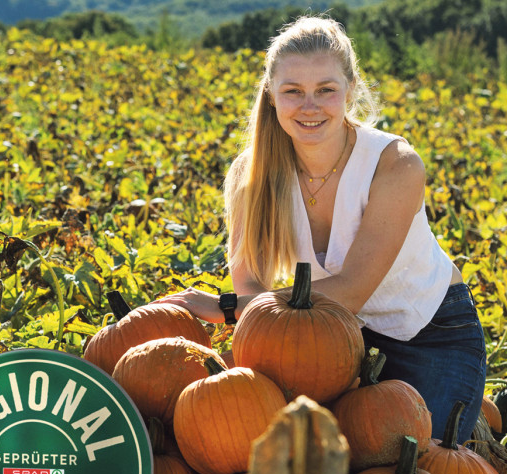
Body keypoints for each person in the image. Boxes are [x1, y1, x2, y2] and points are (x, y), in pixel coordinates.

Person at [154, 15, 487, 443]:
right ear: (271, 96)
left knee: (415, 459)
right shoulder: (250, 176)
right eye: (293, 91)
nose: (309, 106)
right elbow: (250, 283)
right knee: (296, 453)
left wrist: (233, 307)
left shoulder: (394, 164)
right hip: (329, 342)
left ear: (349, 90)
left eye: (325, 90)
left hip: (429, 334)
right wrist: (241, 305)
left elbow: (349, 291)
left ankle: (474, 424)